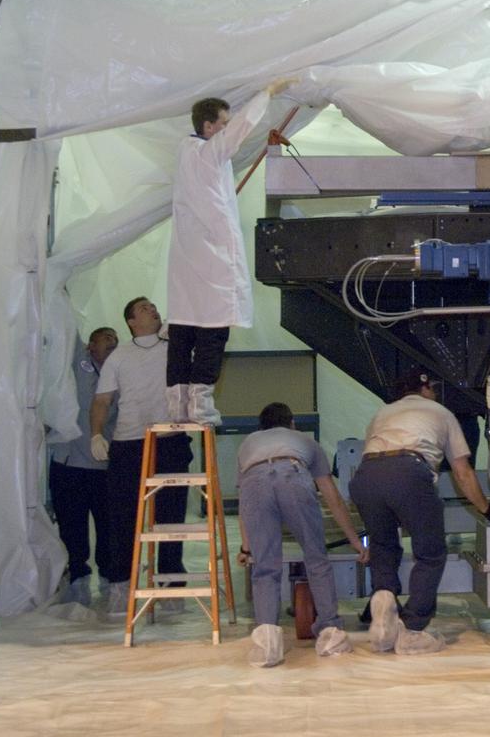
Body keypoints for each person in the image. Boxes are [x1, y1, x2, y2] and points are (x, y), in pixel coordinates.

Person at [348, 368, 490, 656]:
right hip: (409, 471)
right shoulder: (441, 412)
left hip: (366, 476)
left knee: (383, 547)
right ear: (426, 389)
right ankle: (413, 629)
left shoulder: (383, 413)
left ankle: (383, 600)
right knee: (430, 553)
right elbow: (462, 472)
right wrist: (487, 509)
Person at [166, 79, 290, 425]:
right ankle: (200, 406)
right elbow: (240, 130)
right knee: (212, 333)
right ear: (209, 127)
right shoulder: (206, 153)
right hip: (211, 261)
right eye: (223, 123)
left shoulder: (188, 155)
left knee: (183, 335)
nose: (227, 128)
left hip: (190, 262)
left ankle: (178, 405)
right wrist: (267, 94)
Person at [236, 402, 368, 667]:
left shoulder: (247, 444)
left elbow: (244, 504)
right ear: (292, 423)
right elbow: (331, 496)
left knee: (264, 567)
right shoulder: (305, 441)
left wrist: (246, 547)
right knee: (316, 557)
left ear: (261, 427)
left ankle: (267, 644)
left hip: (254, 482)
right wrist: (356, 541)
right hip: (292, 474)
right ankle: (330, 634)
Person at [89, 296, 192, 618]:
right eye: (144, 308)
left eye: (153, 306)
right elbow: (102, 400)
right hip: (129, 443)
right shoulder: (120, 356)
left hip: (170, 439)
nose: (153, 310)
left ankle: (171, 585)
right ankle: (121, 586)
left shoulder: (173, 348)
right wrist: (96, 434)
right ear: (132, 321)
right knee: (123, 517)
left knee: (171, 516)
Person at [50, 326, 117, 607]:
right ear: (90, 346)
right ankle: (78, 576)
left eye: (115, 339)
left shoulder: (118, 371)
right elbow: (66, 331)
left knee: (109, 526)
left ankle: (109, 576)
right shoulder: (79, 363)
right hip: (70, 463)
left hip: (104, 465)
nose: (112, 342)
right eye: (106, 338)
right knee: (72, 525)